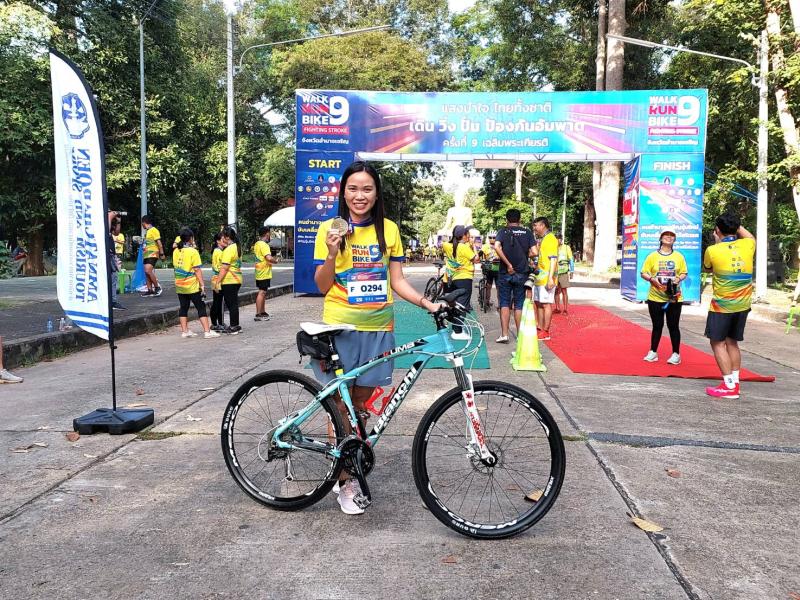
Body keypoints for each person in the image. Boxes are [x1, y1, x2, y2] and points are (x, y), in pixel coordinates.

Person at [313, 161, 442, 515]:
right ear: (343, 193)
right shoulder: (329, 228)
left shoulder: (389, 230)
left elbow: (397, 281)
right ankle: (345, 479)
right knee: (339, 406)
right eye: (353, 188)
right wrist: (331, 253)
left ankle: (348, 462)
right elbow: (322, 285)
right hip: (340, 328)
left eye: (367, 189)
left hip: (379, 329)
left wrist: (427, 303)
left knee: (360, 407)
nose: (360, 195)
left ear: (376, 193)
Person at [703, 214, 756, 400]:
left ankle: (729, 386)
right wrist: (735, 224)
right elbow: (749, 236)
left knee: (717, 343)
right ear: (736, 228)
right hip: (743, 305)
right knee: (732, 342)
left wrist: (719, 242)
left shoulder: (712, 250)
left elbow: (708, 268)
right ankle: (735, 382)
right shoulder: (748, 244)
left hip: (722, 306)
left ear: (717, 230)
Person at [640, 228, 687, 365]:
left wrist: (678, 279)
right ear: (660, 238)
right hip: (655, 297)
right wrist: (651, 279)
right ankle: (653, 352)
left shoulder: (679, 256)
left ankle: (676, 354)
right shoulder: (652, 256)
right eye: (666, 235)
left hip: (673, 297)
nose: (669, 237)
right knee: (657, 325)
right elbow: (643, 273)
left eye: (672, 236)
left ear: (675, 240)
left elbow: (684, 272)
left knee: (673, 326)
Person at [494, 209, 536, 343]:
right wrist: (525, 256)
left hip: (505, 272)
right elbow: (535, 252)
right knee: (519, 304)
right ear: (520, 219)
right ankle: (520, 335)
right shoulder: (527, 232)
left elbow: (496, 247)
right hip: (522, 272)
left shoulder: (502, 232)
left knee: (504, 303)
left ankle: (504, 334)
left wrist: (508, 264)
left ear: (507, 219)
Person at [173, 228, 219, 339]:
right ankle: (207, 331)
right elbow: (197, 269)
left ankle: (185, 331)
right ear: (191, 238)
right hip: (192, 285)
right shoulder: (193, 252)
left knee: (183, 307)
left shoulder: (175, 251)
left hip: (180, 284)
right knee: (201, 307)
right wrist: (202, 284)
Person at [442, 225, 479, 340]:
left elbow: (446, 244)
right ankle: (457, 331)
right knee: (462, 304)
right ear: (464, 235)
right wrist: (474, 247)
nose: (469, 236)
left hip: (451, 278)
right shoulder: (464, 247)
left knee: (453, 303)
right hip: (464, 278)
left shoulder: (446, 245)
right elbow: (476, 259)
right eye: (468, 234)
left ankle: (449, 323)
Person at [532, 217, 558, 341]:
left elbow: (553, 259)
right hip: (539, 278)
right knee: (539, 303)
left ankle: (546, 331)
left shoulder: (551, 239)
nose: (534, 228)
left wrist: (551, 278)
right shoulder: (543, 239)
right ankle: (540, 328)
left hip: (547, 278)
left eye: (536, 225)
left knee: (546, 304)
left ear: (542, 225)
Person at [217, 226, 242, 335]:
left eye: (223, 236)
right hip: (236, 278)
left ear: (227, 237)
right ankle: (236, 325)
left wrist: (218, 281)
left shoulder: (228, 249)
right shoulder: (237, 247)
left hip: (229, 279)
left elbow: (224, 268)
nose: (222, 238)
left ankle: (233, 326)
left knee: (231, 304)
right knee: (234, 303)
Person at [253, 226, 278, 322]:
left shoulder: (257, 244)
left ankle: (262, 311)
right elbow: (269, 258)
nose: (270, 235)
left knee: (263, 292)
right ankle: (258, 313)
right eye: (269, 233)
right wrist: (275, 261)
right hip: (263, 272)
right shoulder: (264, 245)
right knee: (262, 292)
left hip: (259, 271)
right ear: (267, 234)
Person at [141, 215, 164, 297]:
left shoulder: (154, 230)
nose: (142, 225)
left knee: (148, 270)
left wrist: (162, 254)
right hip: (147, 254)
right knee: (146, 272)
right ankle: (150, 290)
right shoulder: (148, 231)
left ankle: (157, 287)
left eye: (142, 223)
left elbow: (159, 243)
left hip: (153, 253)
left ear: (144, 222)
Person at [108, 212, 126, 310]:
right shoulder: (102, 222)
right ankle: (109, 302)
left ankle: (113, 301)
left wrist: (118, 221)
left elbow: (116, 233)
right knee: (108, 278)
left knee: (113, 277)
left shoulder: (110, 223)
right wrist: (110, 216)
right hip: (105, 254)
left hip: (112, 254)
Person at [554, 234, 574, 315]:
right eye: (556, 239)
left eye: (558, 239)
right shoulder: (553, 248)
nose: (557, 241)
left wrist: (572, 271)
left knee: (564, 290)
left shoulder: (566, 247)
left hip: (563, 272)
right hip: (555, 272)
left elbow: (571, 259)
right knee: (556, 291)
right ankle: (557, 308)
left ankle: (565, 309)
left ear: (561, 239)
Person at [209, 232, 226, 331]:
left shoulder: (217, 251)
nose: (225, 241)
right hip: (219, 278)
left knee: (217, 301)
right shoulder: (219, 252)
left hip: (215, 277)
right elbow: (222, 267)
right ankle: (219, 323)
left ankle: (215, 323)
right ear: (218, 241)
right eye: (223, 239)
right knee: (219, 302)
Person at [480, 232, 500, 307]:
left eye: (494, 237)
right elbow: (480, 254)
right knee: (488, 286)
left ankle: (500, 304)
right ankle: (487, 301)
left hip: (498, 269)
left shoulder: (499, 246)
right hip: (488, 269)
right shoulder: (485, 246)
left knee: (499, 287)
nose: (492, 239)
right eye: (490, 237)